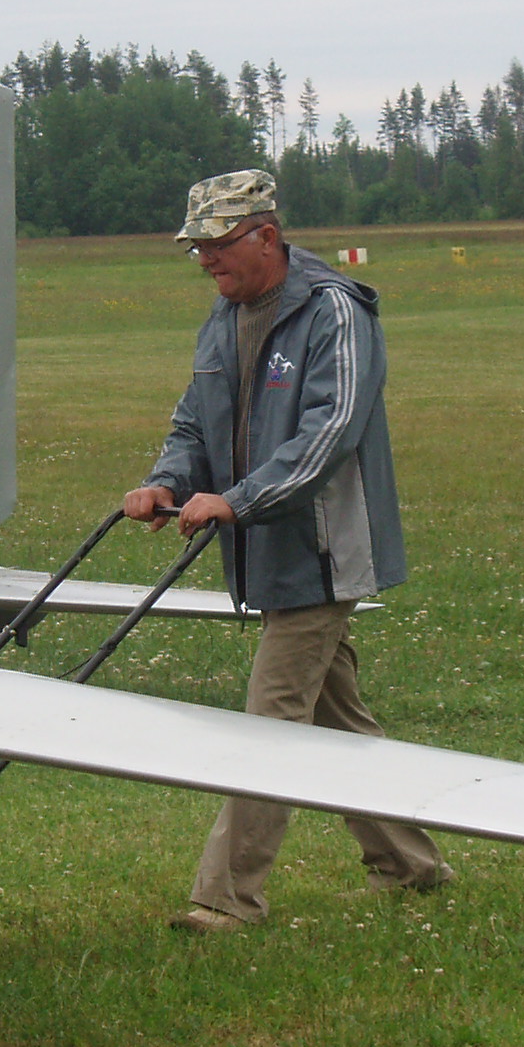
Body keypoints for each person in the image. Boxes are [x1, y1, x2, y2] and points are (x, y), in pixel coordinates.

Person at [125, 169, 452, 933]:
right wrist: (165, 481)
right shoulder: (223, 316)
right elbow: (193, 424)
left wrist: (235, 500)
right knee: (338, 721)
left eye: (217, 247)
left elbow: (329, 434)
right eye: (197, 251)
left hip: (323, 552)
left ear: (265, 236)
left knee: (270, 724)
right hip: (265, 554)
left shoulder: (335, 312)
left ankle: (226, 900)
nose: (206, 262)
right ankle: (408, 863)